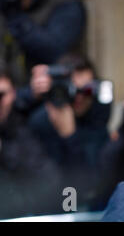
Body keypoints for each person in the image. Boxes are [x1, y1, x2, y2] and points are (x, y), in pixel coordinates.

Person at [0, 67, 62, 219]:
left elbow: (48, 180)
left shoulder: (22, 128)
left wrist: (1, 149)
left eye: (1, 95)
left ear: (14, 94)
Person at [27, 54, 111, 209]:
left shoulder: (97, 121)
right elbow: (42, 186)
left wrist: (70, 136)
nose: (79, 97)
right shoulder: (40, 122)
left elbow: (91, 184)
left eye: (86, 90)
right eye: (71, 89)